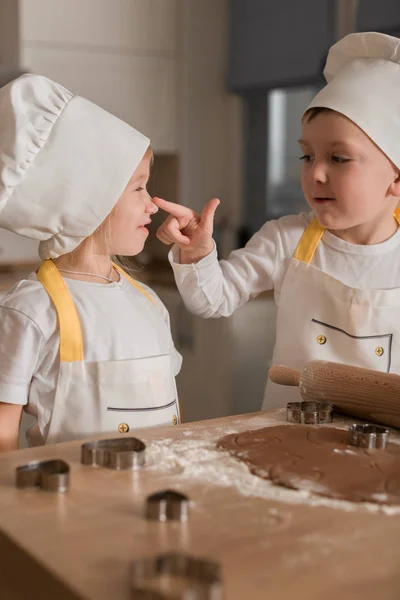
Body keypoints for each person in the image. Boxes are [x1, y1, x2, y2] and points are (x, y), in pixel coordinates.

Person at [154, 31, 400, 410]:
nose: (316, 173)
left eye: (338, 158)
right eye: (307, 156)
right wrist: (198, 253)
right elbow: (212, 301)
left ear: (396, 179)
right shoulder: (287, 240)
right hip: (288, 440)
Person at [0, 74, 182, 451]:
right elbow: (3, 431)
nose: (152, 203)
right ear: (86, 203)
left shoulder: (149, 302)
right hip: (69, 505)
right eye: (138, 187)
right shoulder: (32, 310)